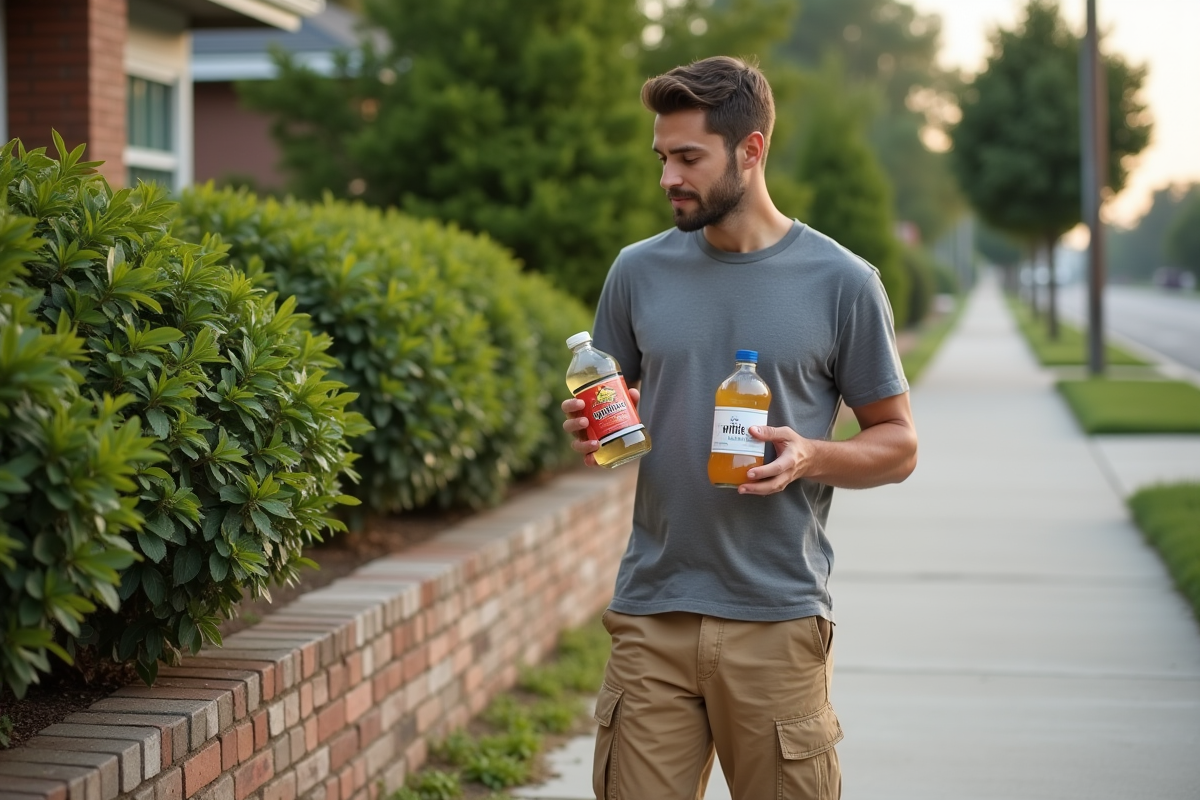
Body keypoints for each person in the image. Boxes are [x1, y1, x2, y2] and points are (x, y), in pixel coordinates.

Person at [562, 56, 918, 800]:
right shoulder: (636, 271)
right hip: (653, 609)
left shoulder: (843, 282)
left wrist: (811, 455)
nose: (668, 178)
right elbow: (613, 399)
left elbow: (897, 444)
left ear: (750, 151)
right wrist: (592, 427)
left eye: (689, 157)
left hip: (776, 616)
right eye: (663, 157)